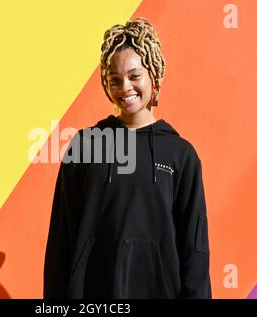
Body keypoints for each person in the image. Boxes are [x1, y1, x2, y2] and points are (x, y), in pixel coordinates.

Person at [44, 17, 211, 299]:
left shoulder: (181, 155)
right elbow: (61, 239)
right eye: (115, 79)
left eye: (135, 76)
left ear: (153, 76)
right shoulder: (86, 146)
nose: (125, 87)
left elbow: (194, 249)